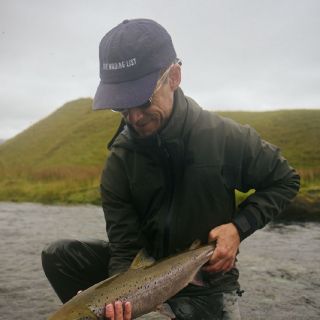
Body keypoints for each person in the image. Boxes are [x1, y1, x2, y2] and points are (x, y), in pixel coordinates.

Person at [42, 18, 300, 320]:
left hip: (209, 276)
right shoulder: (119, 162)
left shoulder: (224, 137)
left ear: (174, 77)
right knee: (61, 256)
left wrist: (237, 229)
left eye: (141, 100)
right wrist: (111, 298)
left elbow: (285, 180)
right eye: (122, 107)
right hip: (147, 270)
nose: (134, 117)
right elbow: (125, 247)